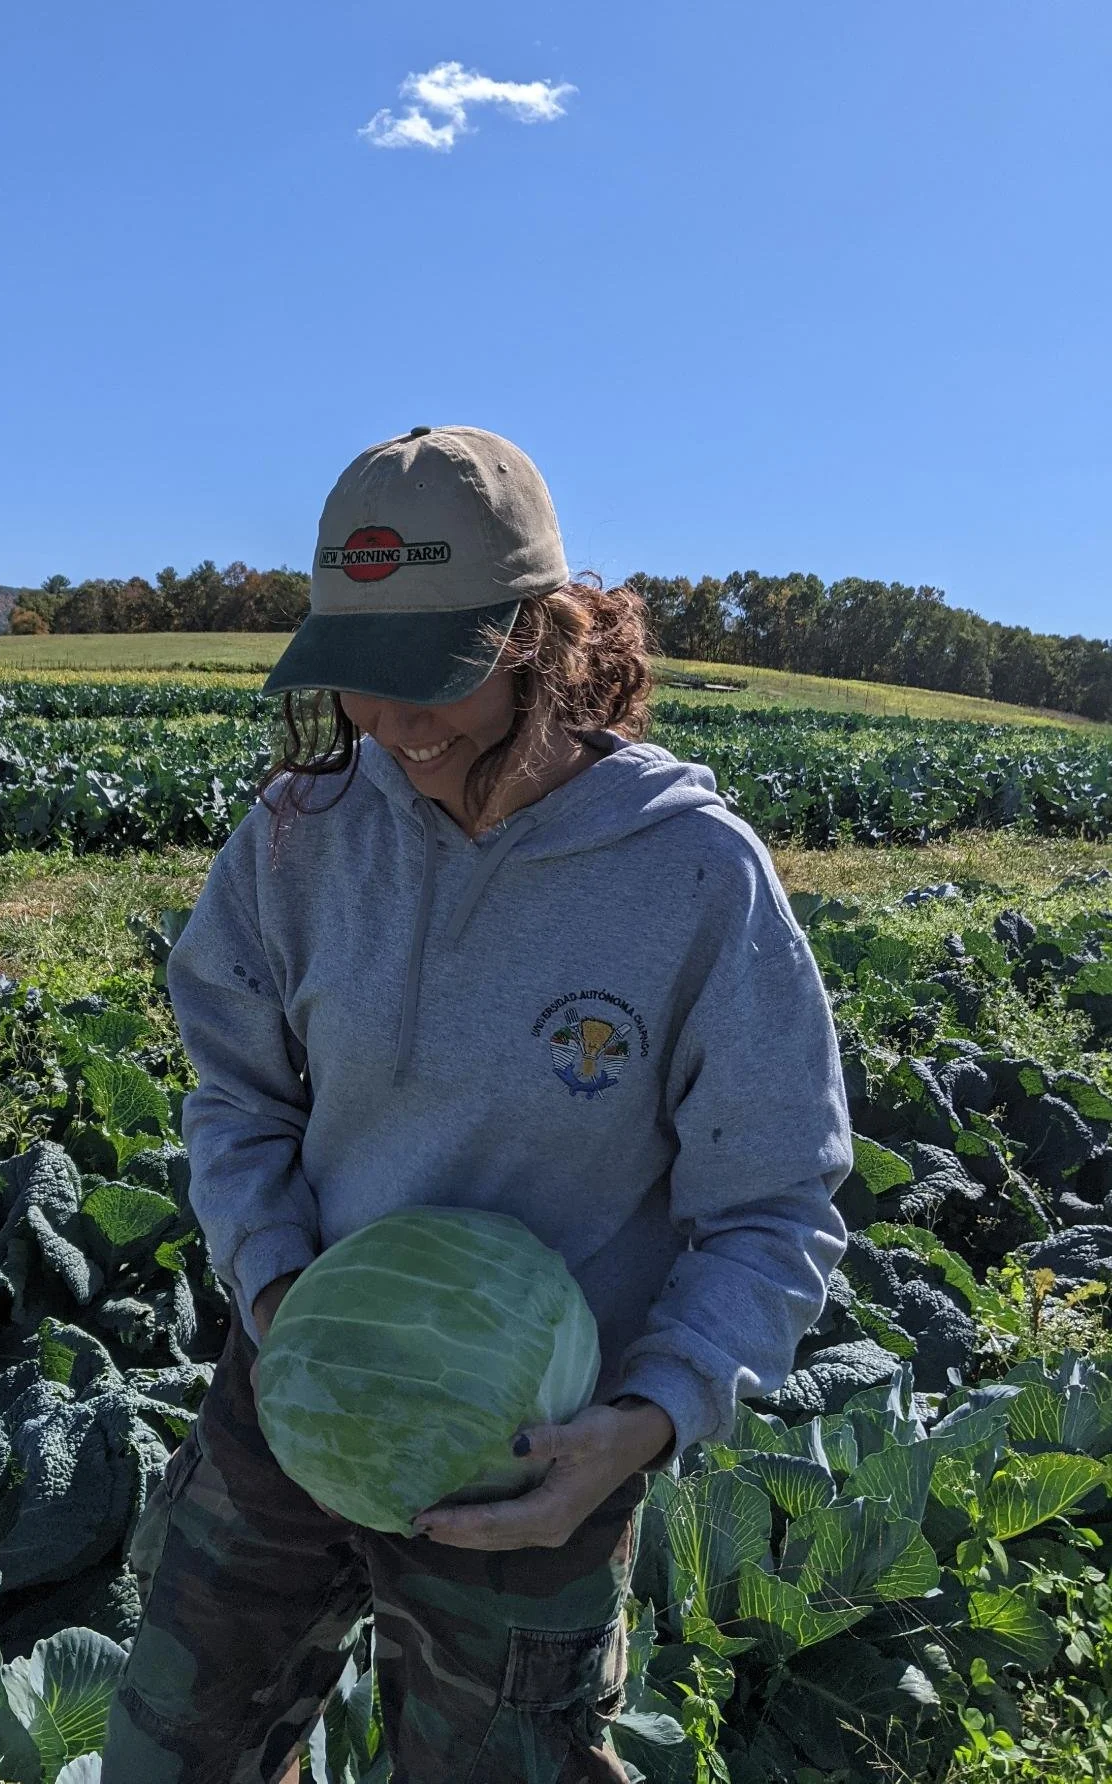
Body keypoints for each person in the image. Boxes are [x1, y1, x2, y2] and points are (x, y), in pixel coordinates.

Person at [101, 425, 853, 1784]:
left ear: (544, 636)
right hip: (301, 1385)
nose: (394, 728)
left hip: (534, 1453)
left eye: (432, 681)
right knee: (171, 1757)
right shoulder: (300, 833)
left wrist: (643, 1425)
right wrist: (276, 1294)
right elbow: (237, 1097)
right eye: (361, 685)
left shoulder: (691, 878)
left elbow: (776, 1208)